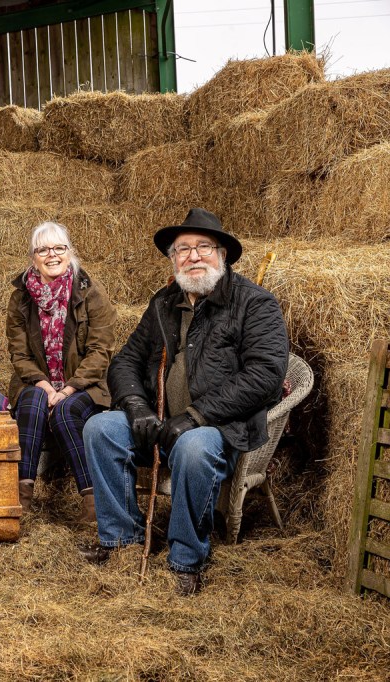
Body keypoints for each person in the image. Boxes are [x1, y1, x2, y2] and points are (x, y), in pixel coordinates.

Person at [79, 208, 288, 596]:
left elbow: (264, 375)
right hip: (160, 420)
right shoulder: (164, 302)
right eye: (182, 249)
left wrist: (197, 415)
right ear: (173, 259)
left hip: (217, 426)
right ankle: (120, 540)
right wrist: (135, 405)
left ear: (222, 254)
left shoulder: (255, 304)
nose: (193, 256)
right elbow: (126, 360)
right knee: (100, 428)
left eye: (203, 247)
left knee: (194, 447)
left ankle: (187, 558)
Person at [6, 222, 116, 517]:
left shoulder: (90, 293)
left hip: (84, 385)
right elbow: (19, 353)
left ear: (69, 252)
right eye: (43, 249)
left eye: (58, 248)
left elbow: (100, 350)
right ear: (33, 257)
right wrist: (43, 385)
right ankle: (21, 499)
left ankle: (93, 503)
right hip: (38, 382)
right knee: (31, 402)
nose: (51, 255)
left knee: (66, 411)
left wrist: (67, 389)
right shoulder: (21, 297)